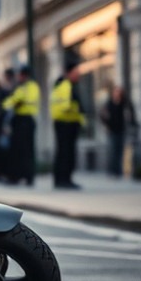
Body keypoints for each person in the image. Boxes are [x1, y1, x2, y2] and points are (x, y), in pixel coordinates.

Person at [1, 65, 40, 186]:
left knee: (27, 151)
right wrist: (16, 101)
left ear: (26, 75)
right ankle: (15, 177)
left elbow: (27, 100)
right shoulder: (19, 88)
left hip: (27, 120)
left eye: (21, 75)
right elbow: (7, 103)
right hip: (17, 120)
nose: (19, 77)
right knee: (16, 151)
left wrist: (18, 101)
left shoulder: (32, 87)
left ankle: (29, 178)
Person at [50, 60, 86, 189]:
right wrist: (79, 114)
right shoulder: (66, 86)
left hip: (63, 123)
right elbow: (67, 106)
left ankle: (61, 180)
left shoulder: (60, 85)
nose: (78, 75)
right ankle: (65, 180)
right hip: (67, 123)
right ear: (69, 73)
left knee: (62, 152)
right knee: (66, 153)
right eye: (76, 72)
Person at [99, 85, 138, 178]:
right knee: (112, 151)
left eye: (119, 92)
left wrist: (132, 124)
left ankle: (119, 171)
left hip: (122, 130)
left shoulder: (125, 103)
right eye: (116, 92)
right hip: (111, 130)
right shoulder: (109, 103)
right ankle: (112, 170)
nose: (118, 94)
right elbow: (102, 115)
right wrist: (106, 125)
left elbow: (132, 115)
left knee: (120, 151)